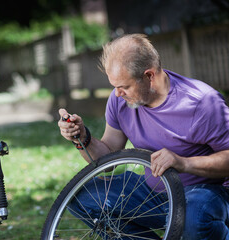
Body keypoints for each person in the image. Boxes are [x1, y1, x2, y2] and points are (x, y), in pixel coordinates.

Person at [58, 33, 229, 239]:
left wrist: (183, 163)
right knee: (82, 198)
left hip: (203, 193)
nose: (118, 94)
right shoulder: (119, 100)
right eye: (115, 87)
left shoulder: (202, 102)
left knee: (192, 218)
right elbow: (108, 156)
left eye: (124, 86)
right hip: (153, 193)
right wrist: (82, 137)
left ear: (149, 76)